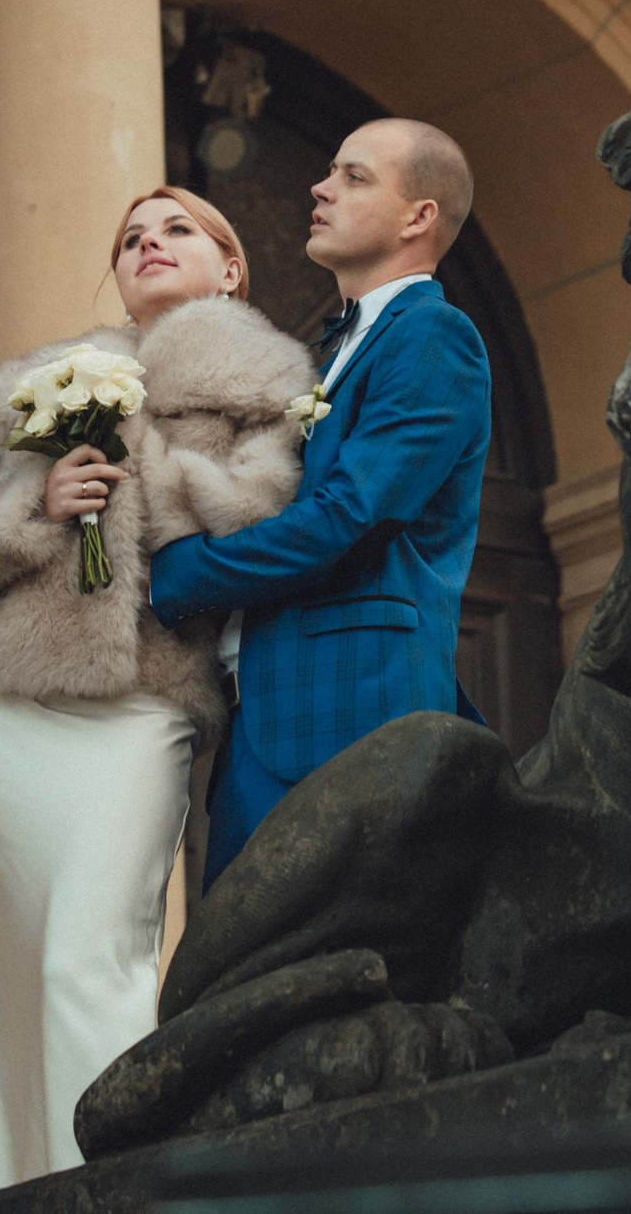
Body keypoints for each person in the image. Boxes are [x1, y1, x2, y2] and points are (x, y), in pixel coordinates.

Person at [0, 188, 313, 1195]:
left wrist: (137, 456)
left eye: (176, 229)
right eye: (131, 237)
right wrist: (30, 501)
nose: (148, 244)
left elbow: (257, 515)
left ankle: (111, 1190)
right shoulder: (39, 394)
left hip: (138, 714)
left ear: (229, 267)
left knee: (88, 965)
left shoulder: (268, 386)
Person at [149, 118, 491, 884]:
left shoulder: (434, 336)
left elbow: (348, 519)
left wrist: (177, 575)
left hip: (351, 711)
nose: (320, 186)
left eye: (354, 175)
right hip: (266, 723)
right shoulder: (333, 352)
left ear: (418, 217)